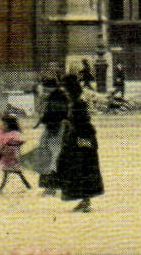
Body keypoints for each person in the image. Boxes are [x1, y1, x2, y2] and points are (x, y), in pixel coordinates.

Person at [54, 74, 103, 212]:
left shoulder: (78, 103)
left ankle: (86, 200)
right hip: (79, 139)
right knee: (80, 170)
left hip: (82, 140)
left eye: (65, 88)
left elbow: (82, 124)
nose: (63, 91)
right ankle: (84, 199)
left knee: (83, 169)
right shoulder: (74, 102)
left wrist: (79, 139)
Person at [23, 76, 68, 194]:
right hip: (53, 129)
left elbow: (55, 115)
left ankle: (52, 188)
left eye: (46, 88)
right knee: (49, 156)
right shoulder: (53, 97)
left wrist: (45, 121)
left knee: (52, 157)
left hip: (56, 130)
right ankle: (52, 187)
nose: (44, 91)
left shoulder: (56, 98)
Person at [0, 113, 31, 191]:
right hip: (13, 155)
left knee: (8, 171)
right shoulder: (15, 133)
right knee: (14, 170)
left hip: (8, 155)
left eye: (4, 123)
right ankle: (27, 184)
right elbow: (19, 143)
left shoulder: (7, 134)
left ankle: (2, 187)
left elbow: (3, 145)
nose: (3, 125)